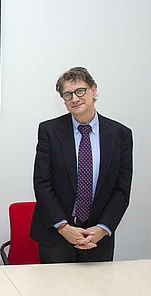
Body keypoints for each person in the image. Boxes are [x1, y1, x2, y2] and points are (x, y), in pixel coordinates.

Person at [30, 67, 133, 263]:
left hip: (97, 238)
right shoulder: (49, 131)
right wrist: (63, 227)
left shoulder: (120, 135)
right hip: (56, 235)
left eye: (80, 91)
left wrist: (103, 228)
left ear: (93, 91)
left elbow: (122, 190)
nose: (74, 98)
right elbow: (42, 184)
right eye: (68, 94)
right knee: (55, 293)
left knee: (95, 292)